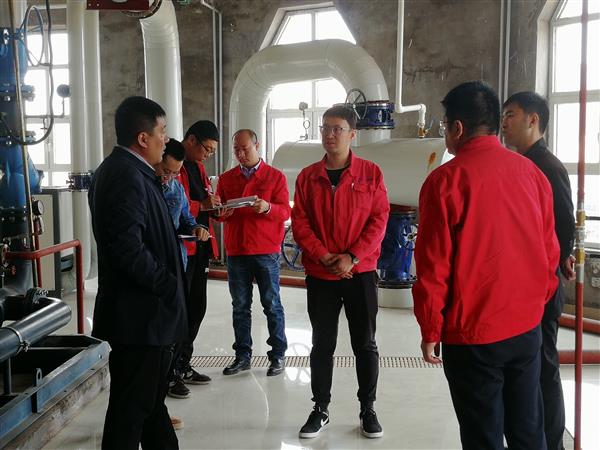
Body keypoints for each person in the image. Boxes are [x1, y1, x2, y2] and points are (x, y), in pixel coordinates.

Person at [413, 81, 560, 450]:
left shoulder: (444, 182)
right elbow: (550, 252)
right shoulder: (532, 174)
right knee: (529, 431)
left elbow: (433, 266)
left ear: (457, 128)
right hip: (525, 328)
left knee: (483, 436)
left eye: (445, 125)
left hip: (473, 335)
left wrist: (431, 328)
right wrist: (535, 304)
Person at [88, 96, 185, 449]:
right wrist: (167, 285)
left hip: (143, 317)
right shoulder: (126, 176)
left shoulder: (127, 171)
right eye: (162, 131)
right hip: (141, 317)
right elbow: (127, 249)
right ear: (143, 138)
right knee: (129, 415)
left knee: (148, 407)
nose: (166, 139)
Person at [291, 105, 390, 439]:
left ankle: (368, 409)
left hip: (360, 273)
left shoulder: (371, 173)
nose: (329, 135)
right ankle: (320, 408)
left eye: (337, 129)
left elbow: (379, 219)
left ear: (352, 134)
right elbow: (300, 223)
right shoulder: (308, 177)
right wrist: (324, 256)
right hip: (322, 275)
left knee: (365, 344)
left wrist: (352, 257)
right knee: (322, 344)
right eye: (325, 128)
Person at [502, 91, 575, 450]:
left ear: (533, 120)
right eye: (503, 115)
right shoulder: (522, 164)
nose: (504, 123)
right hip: (526, 287)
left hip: (542, 288)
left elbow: (563, 226)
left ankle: (552, 442)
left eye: (511, 115)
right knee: (530, 371)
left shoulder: (546, 166)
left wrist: (561, 259)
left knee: (544, 371)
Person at [215, 129, 290, 377]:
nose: (240, 154)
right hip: (237, 250)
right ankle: (242, 356)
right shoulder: (226, 179)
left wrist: (268, 207)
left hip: (265, 250)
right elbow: (219, 211)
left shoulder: (275, 177)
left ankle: (277, 355)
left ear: (257, 146)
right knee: (240, 306)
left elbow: (286, 212)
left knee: (272, 304)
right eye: (236, 149)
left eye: (245, 148)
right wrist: (221, 213)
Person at [168, 120, 220, 399]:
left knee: (197, 307)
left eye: (211, 152)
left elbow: (198, 206)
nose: (207, 155)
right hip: (181, 250)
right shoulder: (173, 166)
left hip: (200, 247)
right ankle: (170, 372)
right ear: (191, 140)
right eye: (206, 149)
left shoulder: (197, 168)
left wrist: (216, 208)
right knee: (181, 310)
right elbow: (174, 206)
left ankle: (183, 364)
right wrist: (202, 205)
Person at [156, 139, 211, 269]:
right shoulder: (143, 185)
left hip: (176, 259)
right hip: (153, 259)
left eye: (175, 173)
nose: (168, 177)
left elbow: (187, 219)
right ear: (157, 160)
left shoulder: (177, 189)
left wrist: (196, 229)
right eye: (166, 171)